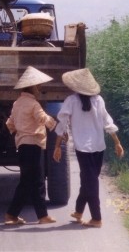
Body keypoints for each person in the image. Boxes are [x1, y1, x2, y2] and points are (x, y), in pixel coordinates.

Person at [53, 68, 124, 228]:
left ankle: (96, 218)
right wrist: (117, 142)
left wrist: (57, 146)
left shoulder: (71, 101)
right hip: (99, 147)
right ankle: (79, 211)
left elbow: (61, 124)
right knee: (89, 180)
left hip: (83, 148)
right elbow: (108, 123)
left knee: (90, 182)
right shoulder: (98, 100)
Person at [4, 66, 58, 225]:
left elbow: (10, 123)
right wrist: (57, 127)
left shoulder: (17, 103)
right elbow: (43, 118)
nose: (40, 88)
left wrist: (20, 133)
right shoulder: (33, 104)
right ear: (32, 87)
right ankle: (23, 215)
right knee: (36, 181)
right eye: (38, 86)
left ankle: (23, 215)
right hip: (33, 145)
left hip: (22, 145)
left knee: (30, 180)